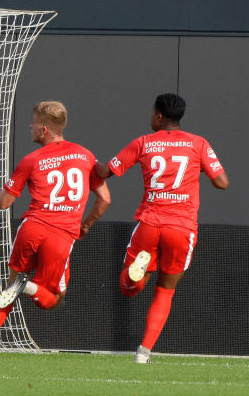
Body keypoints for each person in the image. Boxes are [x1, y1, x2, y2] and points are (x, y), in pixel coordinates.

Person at [94, 93, 228, 364]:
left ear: (158, 115)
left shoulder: (143, 143)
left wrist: (87, 160)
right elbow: (222, 182)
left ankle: (135, 276)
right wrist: (198, 168)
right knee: (165, 291)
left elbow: (106, 171)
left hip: (150, 222)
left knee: (128, 287)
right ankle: (143, 353)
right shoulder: (198, 144)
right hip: (182, 228)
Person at [0, 101, 111, 359]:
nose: (30, 126)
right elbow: (104, 199)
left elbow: (4, 203)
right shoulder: (85, 156)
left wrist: (3, 192)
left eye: (34, 122)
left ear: (44, 130)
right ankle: (28, 287)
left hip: (31, 228)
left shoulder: (31, 160)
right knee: (53, 299)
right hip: (61, 235)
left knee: (9, 287)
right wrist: (86, 225)